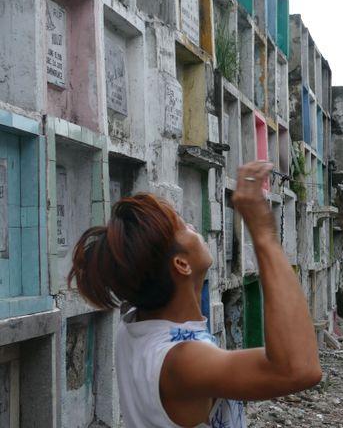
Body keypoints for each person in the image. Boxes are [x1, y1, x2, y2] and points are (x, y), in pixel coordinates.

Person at [67, 162, 322, 427]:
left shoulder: (135, 325)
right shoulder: (182, 360)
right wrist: (264, 234)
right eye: (182, 226)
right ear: (181, 264)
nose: (191, 224)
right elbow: (299, 368)